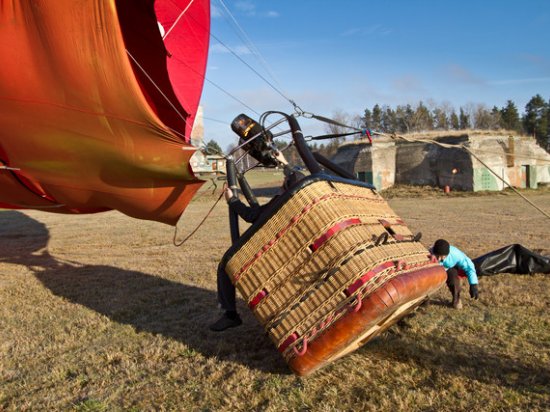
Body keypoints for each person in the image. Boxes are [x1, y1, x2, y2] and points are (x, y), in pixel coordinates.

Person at [209, 153, 305, 332]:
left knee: (226, 265)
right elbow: (259, 210)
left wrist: (233, 200)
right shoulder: (296, 202)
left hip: (269, 254)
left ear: (286, 187)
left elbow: (251, 215)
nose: (282, 182)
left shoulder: (281, 202)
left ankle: (230, 314)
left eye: (284, 181)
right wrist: (284, 162)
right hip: (288, 252)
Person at [431, 239, 479, 309]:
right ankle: (423, 299)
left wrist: (473, 284)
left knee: (454, 282)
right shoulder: (429, 253)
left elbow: (469, 267)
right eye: (437, 255)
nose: (439, 259)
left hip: (450, 267)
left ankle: (456, 300)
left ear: (447, 254)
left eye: (442, 256)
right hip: (435, 269)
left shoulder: (456, 255)